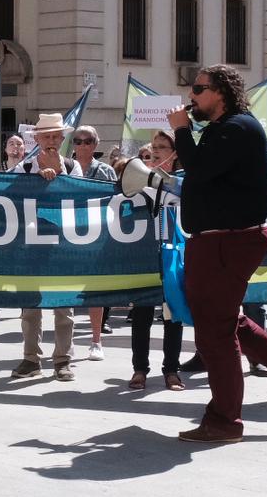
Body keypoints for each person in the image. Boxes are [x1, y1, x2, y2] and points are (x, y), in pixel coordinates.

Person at [169, 65, 267, 443]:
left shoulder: (238, 128)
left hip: (228, 241)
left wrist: (181, 130)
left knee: (214, 334)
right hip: (220, 240)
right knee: (224, 321)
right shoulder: (226, 128)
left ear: (220, 91)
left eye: (199, 89)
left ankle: (225, 420)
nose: (192, 97)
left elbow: (199, 169)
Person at [10, 112, 81, 381]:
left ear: (62, 139)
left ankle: (63, 360)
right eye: (46, 136)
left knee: (65, 306)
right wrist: (37, 179)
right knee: (30, 307)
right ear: (37, 139)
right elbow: (11, 198)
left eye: (55, 136)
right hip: (32, 245)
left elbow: (76, 197)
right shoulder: (23, 169)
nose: (51, 141)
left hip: (62, 245)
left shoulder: (73, 167)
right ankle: (31, 358)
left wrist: (58, 174)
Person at [123, 130, 184, 391]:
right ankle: (140, 369)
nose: (156, 150)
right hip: (145, 256)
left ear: (175, 153)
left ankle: (172, 370)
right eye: (154, 147)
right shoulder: (140, 181)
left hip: (173, 256)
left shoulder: (183, 182)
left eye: (163, 146)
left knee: (173, 315)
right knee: (141, 315)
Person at [71, 125, 118, 361]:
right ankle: (65, 341)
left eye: (87, 141)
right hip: (67, 235)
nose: (82, 145)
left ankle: (96, 340)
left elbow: (117, 203)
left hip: (98, 236)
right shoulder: (65, 169)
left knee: (95, 291)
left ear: (95, 144)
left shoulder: (107, 171)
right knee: (64, 288)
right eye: (77, 141)